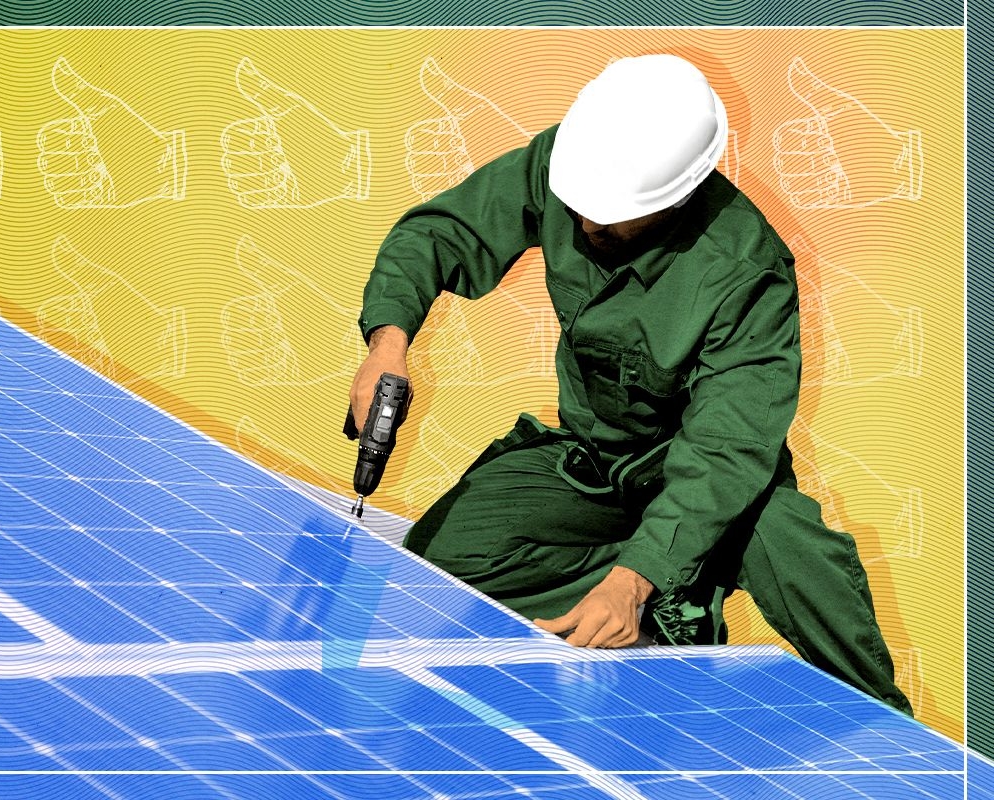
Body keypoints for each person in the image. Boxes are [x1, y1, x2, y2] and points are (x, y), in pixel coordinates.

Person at [349, 54, 912, 714]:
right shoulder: (572, 160)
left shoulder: (746, 269)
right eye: (580, 208)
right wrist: (388, 341)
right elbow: (445, 231)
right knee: (441, 559)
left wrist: (638, 575)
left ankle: (889, 732)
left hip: (710, 479)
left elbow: (725, 451)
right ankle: (658, 600)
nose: (587, 226)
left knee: (796, 554)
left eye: (613, 217)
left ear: (677, 197)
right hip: (594, 464)